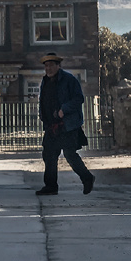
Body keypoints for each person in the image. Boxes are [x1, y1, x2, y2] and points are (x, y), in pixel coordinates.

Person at [35, 52, 95, 196]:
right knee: (49, 155)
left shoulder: (69, 79)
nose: (48, 69)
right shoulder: (45, 81)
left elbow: (78, 98)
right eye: (46, 66)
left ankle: (87, 178)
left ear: (58, 65)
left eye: (50, 65)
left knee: (69, 154)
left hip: (67, 125)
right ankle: (50, 186)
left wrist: (64, 109)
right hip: (51, 126)